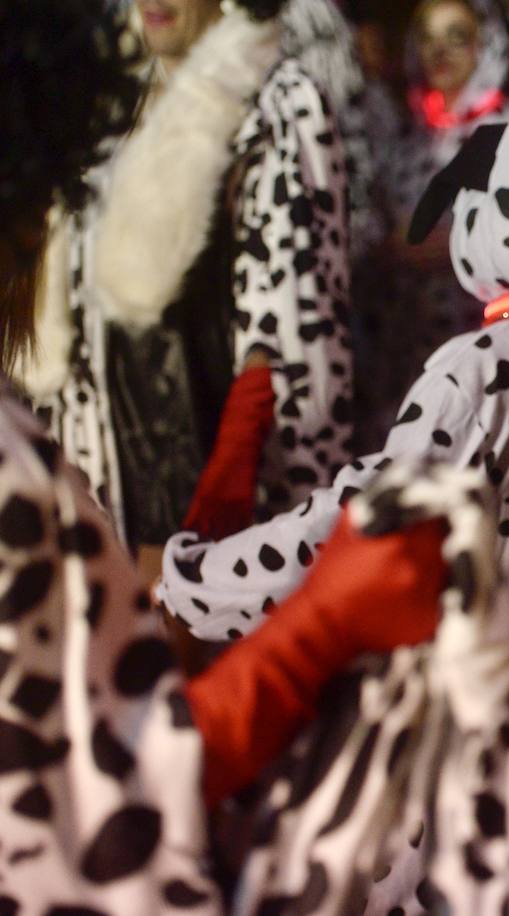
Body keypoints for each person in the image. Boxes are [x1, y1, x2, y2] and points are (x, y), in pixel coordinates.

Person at [1, 3, 509, 912]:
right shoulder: (22, 478)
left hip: (197, 518)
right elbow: (113, 789)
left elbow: (298, 337)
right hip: (115, 515)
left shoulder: (278, 98)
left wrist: (252, 503)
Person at [156, 109, 509, 901]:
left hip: (457, 717)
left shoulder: (480, 366)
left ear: (496, 213)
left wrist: (202, 579)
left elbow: (362, 525)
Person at [18, 0, 354, 564]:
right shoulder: (104, 103)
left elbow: (295, 329)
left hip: (216, 506)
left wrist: (221, 506)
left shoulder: (277, 100)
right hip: (95, 495)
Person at [357, 0, 509, 444]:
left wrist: (451, 245)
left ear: (486, 45)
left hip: (479, 353)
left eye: (457, 36)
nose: (439, 51)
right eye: (427, 37)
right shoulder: (405, 135)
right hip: (399, 351)